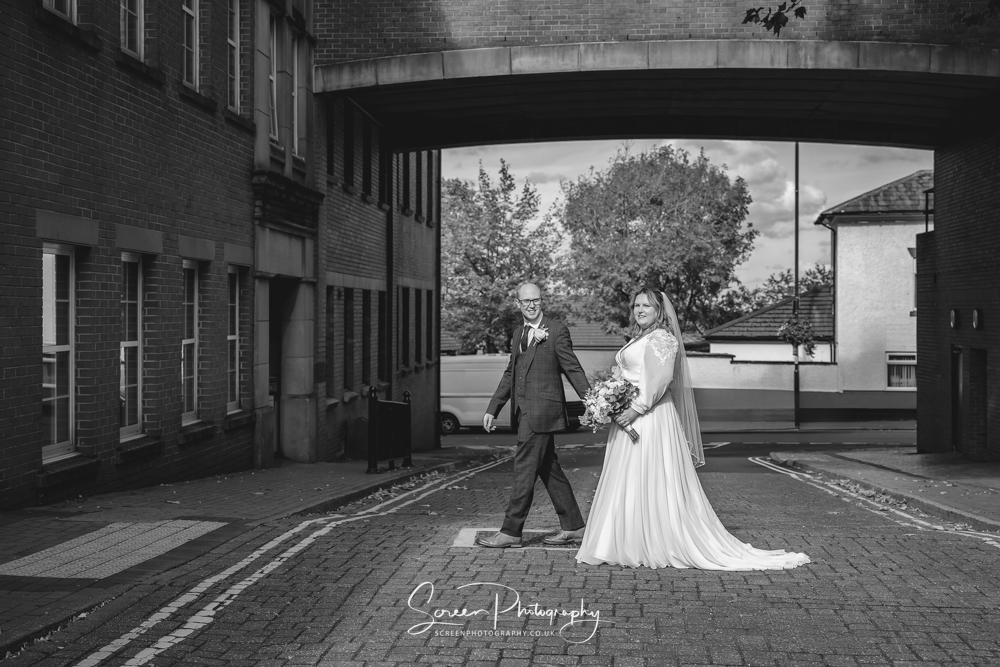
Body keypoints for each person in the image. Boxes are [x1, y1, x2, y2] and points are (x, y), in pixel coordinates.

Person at [576, 287, 810, 570]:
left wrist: (633, 410)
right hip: (629, 416)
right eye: (636, 305)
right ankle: (624, 541)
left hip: (649, 418)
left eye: (646, 306)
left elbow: (660, 380)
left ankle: (656, 540)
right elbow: (628, 376)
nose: (640, 310)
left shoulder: (662, 338)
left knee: (650, 475)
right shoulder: (640, 337)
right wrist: (609, 400)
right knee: (629, 476)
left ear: (659, 311)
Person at [476, 282, 593, 549]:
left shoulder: (557, 331)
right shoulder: (518, 333)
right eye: (525, 301)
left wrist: (592, 401)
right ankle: (574, 527)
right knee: (549, 469)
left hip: (542, 412)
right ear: (518, 304)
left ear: (542, 301)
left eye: (536, 300)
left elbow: (572, 369)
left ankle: (511, 531)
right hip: (523, 411)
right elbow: (511, 373)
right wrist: (493, 408)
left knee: (523, 470)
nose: (531, 305)